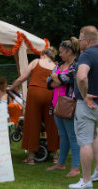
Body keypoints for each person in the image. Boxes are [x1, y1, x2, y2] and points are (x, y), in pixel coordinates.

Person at [8, 47, 60, 165]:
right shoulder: (55, 66)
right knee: (52, 124)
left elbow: (22, 78)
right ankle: (56, 156)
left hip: (34, 93)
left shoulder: (36, 62)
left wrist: (11, 88)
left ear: (43, 54)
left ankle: (31, 158)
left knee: (32, 123)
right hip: (50, 94)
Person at [46, 37, 80, 178]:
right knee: (63, 135)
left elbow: (66, 79)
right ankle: (61, 164)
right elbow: (49, 83)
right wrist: (58, 79)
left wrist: (57, 78)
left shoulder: (76, 66)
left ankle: (75, 167)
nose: (59, 55)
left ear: (70, 51)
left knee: (72, 136)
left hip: (69, 106)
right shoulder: (59, 65)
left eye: (62, 52)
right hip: (56, 105)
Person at [69, 26, 98, 189]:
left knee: (85, 142)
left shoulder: (86, 55)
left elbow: (81, 77)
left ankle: (86, 181)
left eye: (80, 40)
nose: (79, 43)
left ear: (87, 40)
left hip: (88, 105)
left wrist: (85, 95)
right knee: (95, 137)